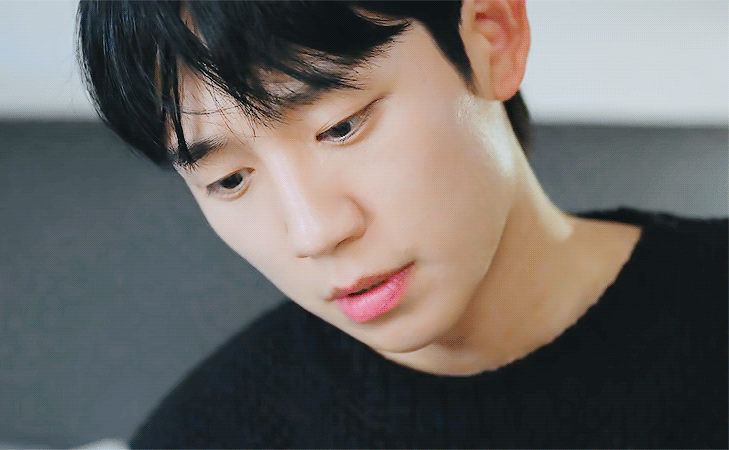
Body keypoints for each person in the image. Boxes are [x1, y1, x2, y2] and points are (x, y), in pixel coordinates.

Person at [77, 1, 727, 447]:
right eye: (229, 180)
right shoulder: (203, 434)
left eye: (341, 127)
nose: (313, 232)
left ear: (492, 36)